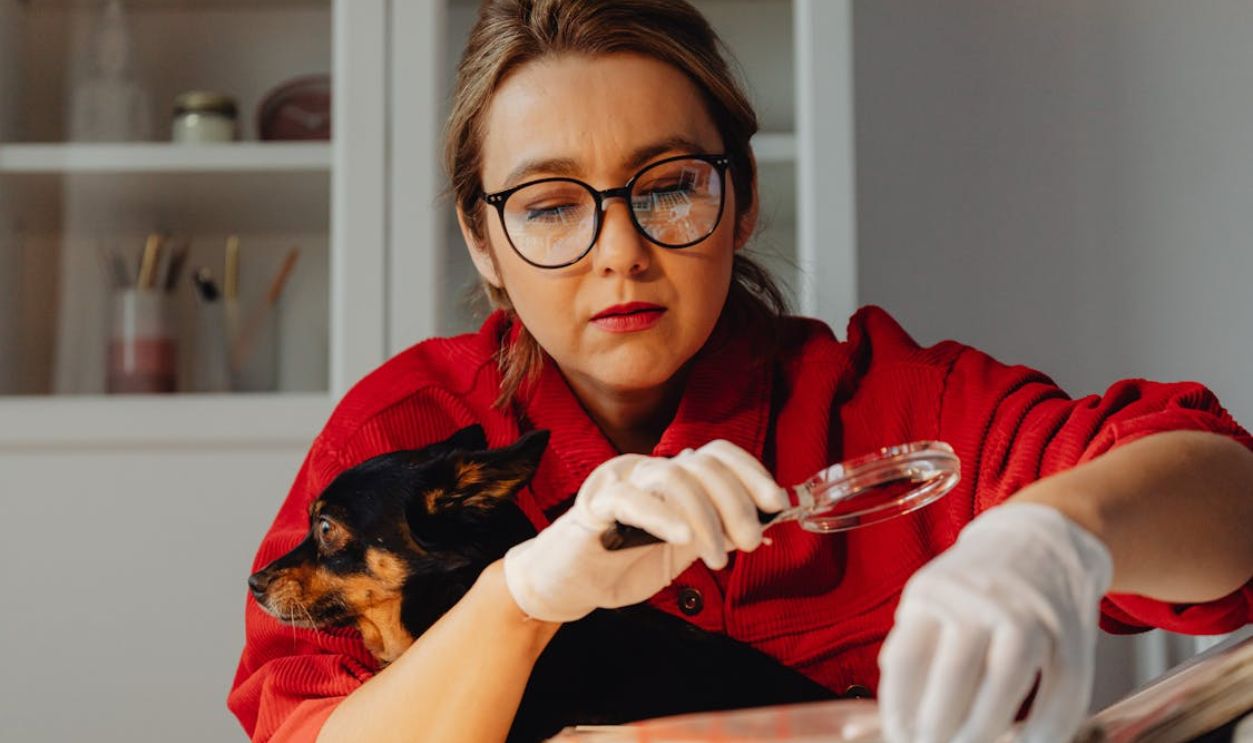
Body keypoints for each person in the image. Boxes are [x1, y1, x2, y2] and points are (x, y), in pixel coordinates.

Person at [227, 2, 1253, 742]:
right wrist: (521, 596)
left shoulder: (878, 402)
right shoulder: (397, 439)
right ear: (482, 241)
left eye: (668, 187)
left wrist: (1050, 541)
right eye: (547, 207)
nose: (618, 250)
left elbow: (1226, 500)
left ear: (743, 195)